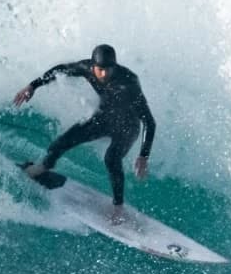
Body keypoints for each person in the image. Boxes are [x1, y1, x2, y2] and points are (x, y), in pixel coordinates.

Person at [14, 43, 155, 220]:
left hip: (128, 127)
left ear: (115, 66)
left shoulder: (129, 82)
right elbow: (60, 70)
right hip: (104, 119)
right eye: (100, 69)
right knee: (63, 141)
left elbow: (149, 121)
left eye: (108, 69)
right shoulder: (86, 68)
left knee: (112, 158)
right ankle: (43, 168)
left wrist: (144, 155)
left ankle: (118, 207)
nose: (104, 74)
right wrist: (33, 86)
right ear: (93, 65)